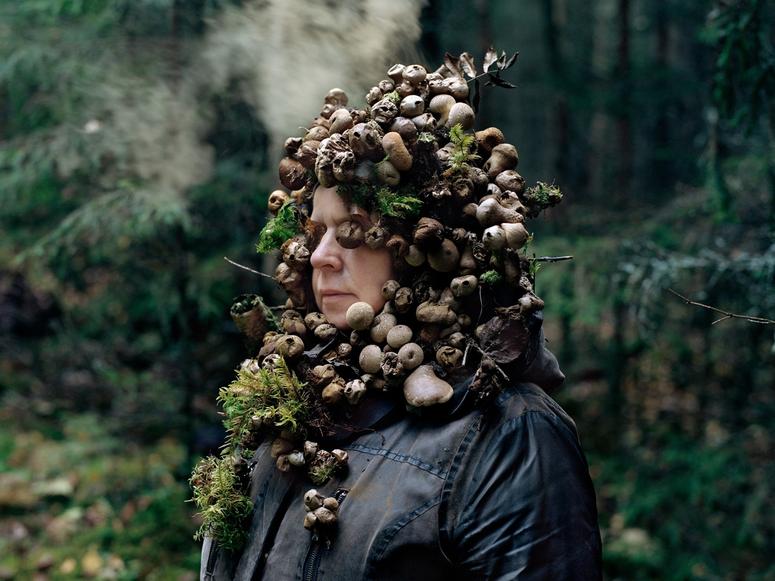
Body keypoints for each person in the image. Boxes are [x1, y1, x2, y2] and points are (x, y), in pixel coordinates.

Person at [194, 55, 602, 580]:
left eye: (355, 230)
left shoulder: (513, 437)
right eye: (318, 233)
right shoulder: (285, 405)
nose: (321, 256)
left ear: (426, 248)